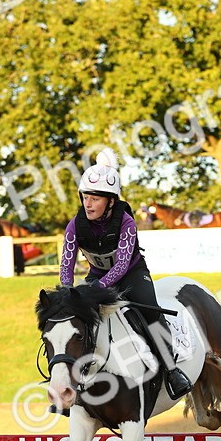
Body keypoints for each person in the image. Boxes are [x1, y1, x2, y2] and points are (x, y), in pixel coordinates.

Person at [59, 151, 193, 400]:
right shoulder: (75, 225)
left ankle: (172, 370)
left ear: (110, 201)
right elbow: (66, 265)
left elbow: (121, 266)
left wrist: (97, 288)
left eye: (95, 199)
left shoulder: (126, 222)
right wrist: (67, 291)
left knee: (150, 310)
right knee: (74, 316)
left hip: (132, 274)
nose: (88, 204)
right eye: (85, 197)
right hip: (97, 276)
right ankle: (70, 380)